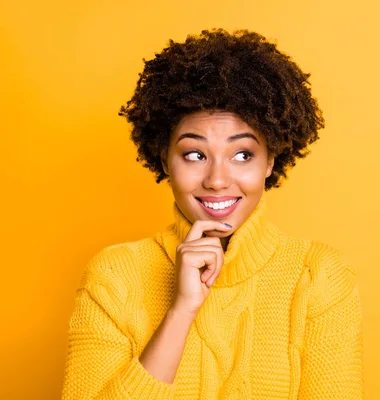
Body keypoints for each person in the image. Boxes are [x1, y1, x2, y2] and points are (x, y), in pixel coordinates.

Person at [61, 28, 364, 400]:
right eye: (194, 154)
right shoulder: (113, 277)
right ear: (163, 159)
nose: (218, 180)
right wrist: (182, 310)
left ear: (270, 160)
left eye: (242, 155)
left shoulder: (318, 277)